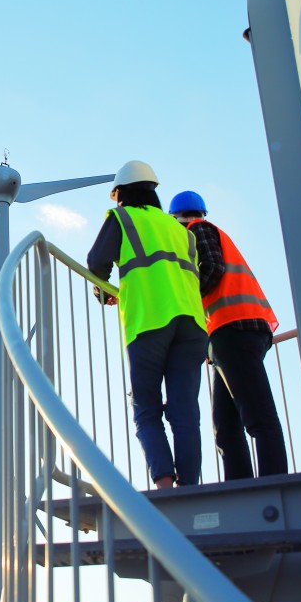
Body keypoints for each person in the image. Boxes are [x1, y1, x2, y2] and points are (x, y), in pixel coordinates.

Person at [87, 161, 208, 490]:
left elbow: (97, 261)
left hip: (149, 322)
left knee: (147, 409)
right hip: (193, 325)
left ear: (121, 193)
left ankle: (165, 484)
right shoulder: (180, 231)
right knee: (186, 412)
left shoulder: (122, 218)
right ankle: (190, 488)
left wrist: (103, 292)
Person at [168, 190, 288, 480]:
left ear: (176, 218)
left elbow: (211, 269)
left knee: (257, 416)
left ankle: (274, 484)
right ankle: (241, 486)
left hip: (234, 329)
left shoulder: (197, 230)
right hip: (232, 332)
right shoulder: (209, 231)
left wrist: (183, 302)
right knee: (225, 425)